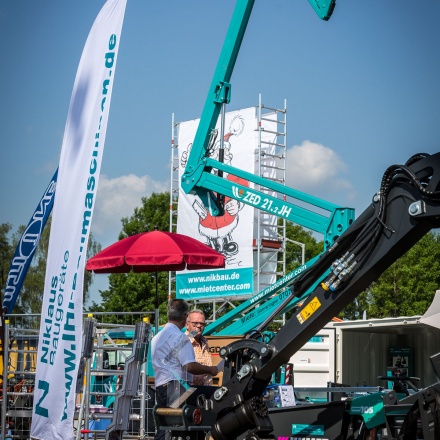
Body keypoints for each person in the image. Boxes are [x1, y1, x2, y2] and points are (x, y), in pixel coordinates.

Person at [151, 299, 218, 440]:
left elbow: (169, 364)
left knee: (167, 426)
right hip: (177, 388)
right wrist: (211, 370)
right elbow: (189, 366)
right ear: (185, 317)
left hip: (161, 387)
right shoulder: (180, 337)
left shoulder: (157, 338)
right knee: (217, 395)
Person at [185, 309, 213, 386]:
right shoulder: (183, 342)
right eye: (195, 323)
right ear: (187, 325)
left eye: (202, 323)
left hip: (206, 390)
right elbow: (173, 367)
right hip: (189, 391)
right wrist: (192, 377)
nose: (199, 326)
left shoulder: (205, 342)